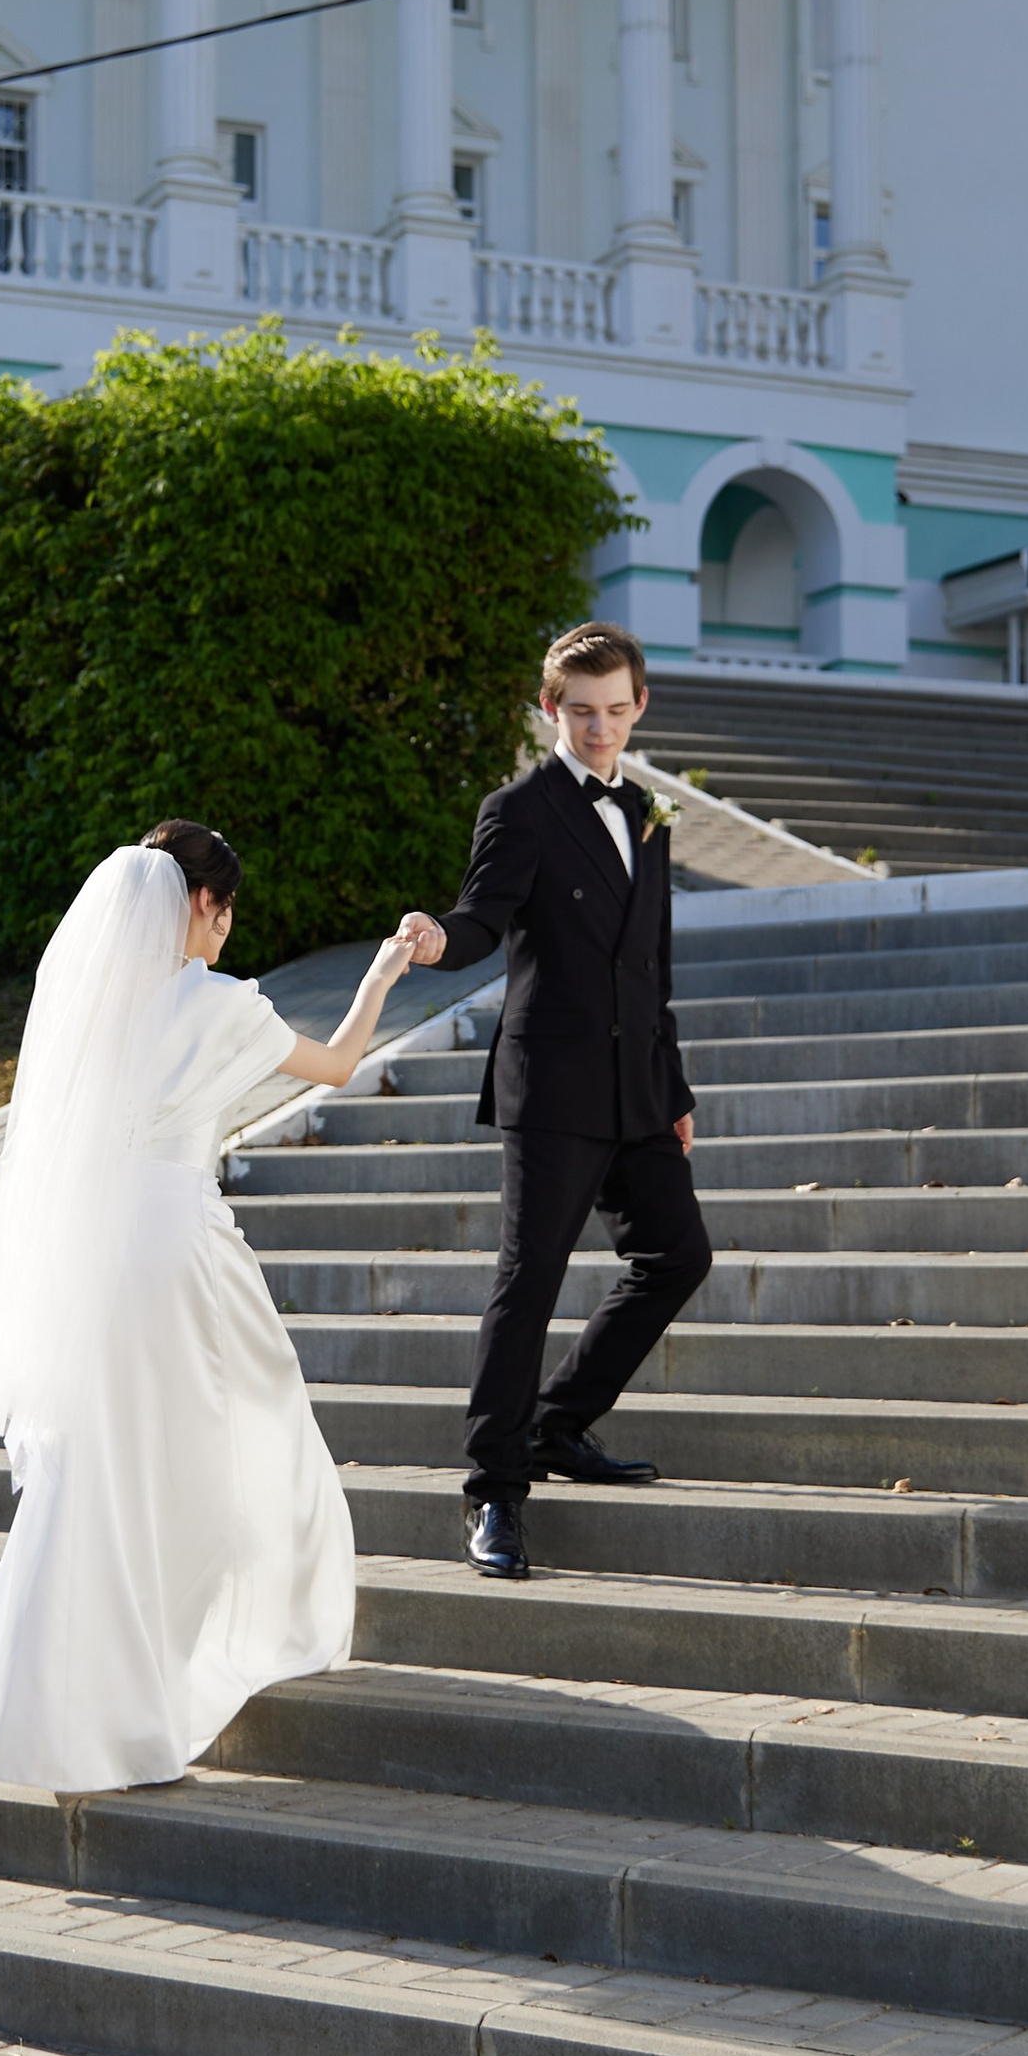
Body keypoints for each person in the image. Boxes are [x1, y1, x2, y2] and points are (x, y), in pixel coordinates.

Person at [0, 821, 416, 1794]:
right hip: (177, 1246)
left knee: (98, 1470)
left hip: (95, 1253)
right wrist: (381, 975)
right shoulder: (218, 1005)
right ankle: (207, 1649)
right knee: (252, 1425)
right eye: (226, 910)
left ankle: (44, 1712)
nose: (227, 930)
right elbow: (332, 1064)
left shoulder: (91, 1013)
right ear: (203, 904)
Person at [399, 622, 712, 1579]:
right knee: (528, 1279)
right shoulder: (520, 808)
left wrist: (675, 1083)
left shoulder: (650, 810)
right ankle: (494, 1487)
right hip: (553, 1084)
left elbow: (649, 964)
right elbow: (483, 918)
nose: (601, 728)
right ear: (551, 709)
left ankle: (558, 1424)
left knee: (679, 1253)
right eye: (582, 712)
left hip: (637, 1086)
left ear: (640, 704)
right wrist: (434, 938)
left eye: (618, 710)